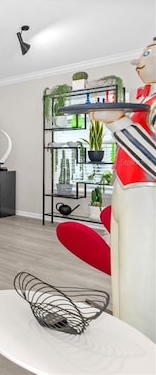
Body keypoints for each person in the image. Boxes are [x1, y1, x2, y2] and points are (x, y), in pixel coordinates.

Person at [91, 37, 156, 341]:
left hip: (146, 198)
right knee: (123, 270)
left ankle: (141, 340)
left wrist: (118, 122)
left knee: (139, 278)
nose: (138, 62)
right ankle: (124, 327)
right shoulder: (144, 101)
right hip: (125, 192)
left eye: (146, 54)